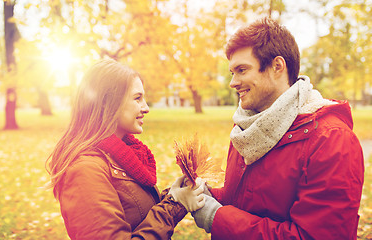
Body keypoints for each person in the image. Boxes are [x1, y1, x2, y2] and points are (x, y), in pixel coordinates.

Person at [192, 17, 364, 239]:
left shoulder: (331, 140)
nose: (232, 83)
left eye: (242, 70)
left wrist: (216, 217)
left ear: (277, 67)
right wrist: (206, 196)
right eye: (232, 73)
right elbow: (245, 200)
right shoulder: (246, 127)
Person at [46, 59, 205, 239]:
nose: (146, 108)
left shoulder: (121, 155)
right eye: (137, 98)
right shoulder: (86, 170)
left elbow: (135, 213)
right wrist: (174, 204)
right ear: (107, 102)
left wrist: (175, 196)